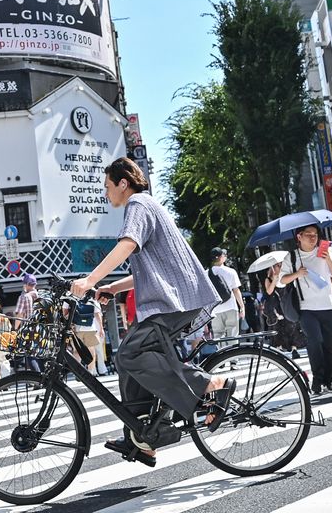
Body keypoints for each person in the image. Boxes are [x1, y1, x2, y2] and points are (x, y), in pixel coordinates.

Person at [71, 157, 235, 468]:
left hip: (176, 300)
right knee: (127, 361)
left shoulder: (139, 205)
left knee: (130, 354)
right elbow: (146, 272)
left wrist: (91, 279)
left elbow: (127, 244)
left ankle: (209, 385)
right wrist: (109, 289)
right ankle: (144, 437)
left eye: (108, 187)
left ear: (123, 183)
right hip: (172, 298)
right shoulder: (147, 207)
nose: (106, 194)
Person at [278, 224, 332, 395]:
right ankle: (317, 380)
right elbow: (281, 280)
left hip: (328, 306)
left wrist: (328, 257)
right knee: (315, 341)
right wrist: (297, 274)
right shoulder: (291, 256)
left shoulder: (324, 252)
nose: (313, 238)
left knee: (329, 345)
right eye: (309, 234)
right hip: (306, 308)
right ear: (299, 236)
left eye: (315, 234)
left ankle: (329, 381)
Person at [261, 263, 303, 359]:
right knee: (278, 329)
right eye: (278, 266)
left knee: (292, 326)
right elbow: (268, 292)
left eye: (281, 265)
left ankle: (294, 349)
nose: (280, 267)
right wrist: (274, 280)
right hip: (275, 307)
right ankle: (279, 350)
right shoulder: (269, 279)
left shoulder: (286, 277)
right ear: (273, 268)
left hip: (287, 305)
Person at [207, 247, 244, 346]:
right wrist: (242, 307)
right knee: (233, 334)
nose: (226, 256)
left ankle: (222, 359)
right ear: (220, 257)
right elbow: (236, 290)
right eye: (224, 255)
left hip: (215, 310)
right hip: (231, 307)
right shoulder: (230, 271)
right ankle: (233, 360)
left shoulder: (206, 274)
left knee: (218, 336)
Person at [14, 273, 42, 373]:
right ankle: (44, 377)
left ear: (26, 284)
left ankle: (37, 379)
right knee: (40, 353)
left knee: (30, 354)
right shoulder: (41, 296)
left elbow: (20, 315)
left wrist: (15, 329)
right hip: (42, 329)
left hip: (29, 329)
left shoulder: (24, 297)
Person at [73, 297, 103, 375]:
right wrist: (101, 328)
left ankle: (77, 372)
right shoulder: (92, 298)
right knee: (91, 351)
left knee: (76, 351)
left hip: (76, 329)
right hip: (91, 329)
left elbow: (65, 311)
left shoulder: (72, 295)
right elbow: (97, 313)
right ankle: (90, 372)